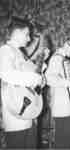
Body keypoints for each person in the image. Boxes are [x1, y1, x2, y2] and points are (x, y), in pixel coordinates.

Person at [0, 17, 44, 148]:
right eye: (27, 34)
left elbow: (34, 74)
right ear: (16, 32)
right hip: (16, 111)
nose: (29, 38)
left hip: (28, 110)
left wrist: (41, 75)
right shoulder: (5, 50)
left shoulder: (21, 53)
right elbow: (6, 74)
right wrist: (34, 78)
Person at [45, 37, 70, 148]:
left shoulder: (65, 59)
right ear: (66, 44)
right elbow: (49, 78)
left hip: (69, 107)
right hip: (62, 107)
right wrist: (68, 83)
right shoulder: (57, 58)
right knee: (64, 143)